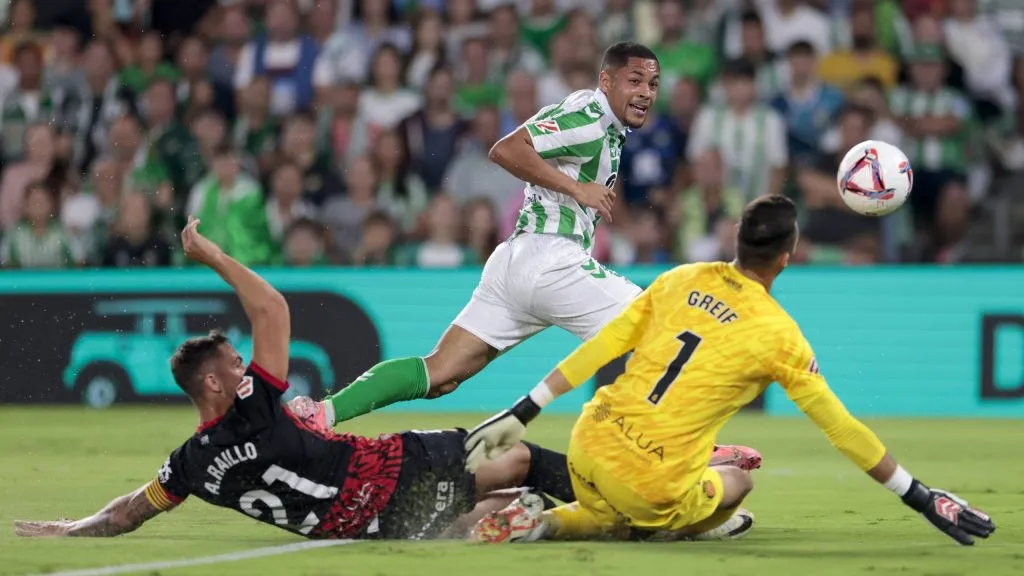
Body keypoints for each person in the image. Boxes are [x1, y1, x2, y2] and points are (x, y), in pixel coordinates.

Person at [462, 195, 996, 547]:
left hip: (589, 443)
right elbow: (841, 429)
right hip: (651, 485)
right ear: (787, 257)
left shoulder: (679, 279)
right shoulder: (780, 336)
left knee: (606, 508)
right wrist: (921, 495)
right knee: (737, 482)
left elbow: (602, 347)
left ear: (737, 235)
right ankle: (678, 523)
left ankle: (545, 518)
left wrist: (525, 408)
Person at [12, 217, 575, 541]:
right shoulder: (253, 408)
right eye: (234, 363)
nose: (244, 367)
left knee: (490, 507)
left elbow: (128, 512)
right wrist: (211, 255)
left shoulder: (191, 464)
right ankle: (624, 498)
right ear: (213, 385)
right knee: (517, 456)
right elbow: (274, 310)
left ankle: (519, 517)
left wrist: (70, 530)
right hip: (391, 471)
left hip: (365, 526)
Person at [294, 42, 665, 427]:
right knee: (663, 327)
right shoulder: (589, 119)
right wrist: (577, 189)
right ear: (606, 81)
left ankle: (321, 414)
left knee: (440, 373)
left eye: (653, 84)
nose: (645, 92)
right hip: (552, 259)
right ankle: (675, 450)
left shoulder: (597, 118)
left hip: (515, 262)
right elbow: (506, 149)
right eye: (634, 80)